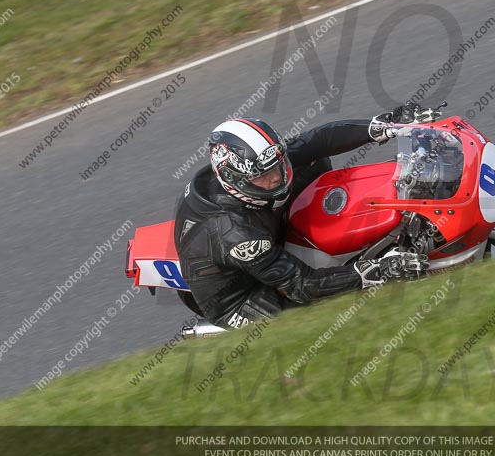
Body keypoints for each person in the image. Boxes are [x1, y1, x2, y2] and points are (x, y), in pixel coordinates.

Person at [173, 102, 430, 329]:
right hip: (240, 295)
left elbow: (317, 141)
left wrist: (382, 126)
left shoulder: (258, 163)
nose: (276, 177)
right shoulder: (236, 234)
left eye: (277, 167)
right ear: (235, 180)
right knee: (317, 322)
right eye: (264, 177)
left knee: (313, 161)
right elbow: (303, 286)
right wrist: (377, 271)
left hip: (261, 225)